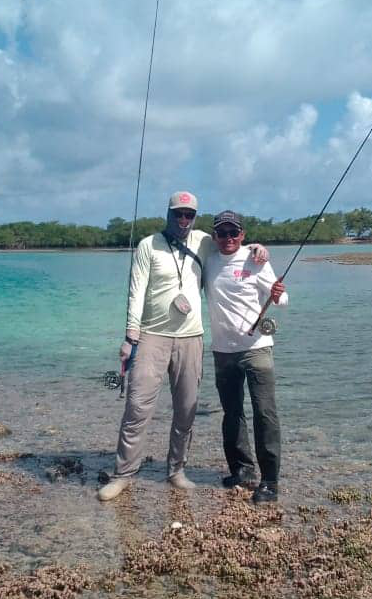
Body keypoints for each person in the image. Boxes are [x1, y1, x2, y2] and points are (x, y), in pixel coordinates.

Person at [98, 193, 268, 501]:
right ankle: (123, 473)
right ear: (168, 213)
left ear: (195, 217)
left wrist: (257, 248)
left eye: (189, 214)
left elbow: (234, 247)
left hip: (191, 337)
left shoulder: (204, 241)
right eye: (178, 214)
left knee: (186, 410)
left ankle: (176, 470)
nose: (183, 220)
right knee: (137, 406)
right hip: (151, 335)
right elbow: (135, 293)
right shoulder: (148, 245)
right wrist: (129, 337)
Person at [204, 210, 288, 504]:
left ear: (242, 235)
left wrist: (277, 294)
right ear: (214, 236)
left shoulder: (256, 259)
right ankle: (242, 470)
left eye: (233, 233)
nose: (228, 238)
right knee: (232, 414)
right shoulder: (208, 260)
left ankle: (270, 481)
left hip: (258, 348)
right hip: (222, 352)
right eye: (222, 233)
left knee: (265, 412)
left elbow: (283, 299)